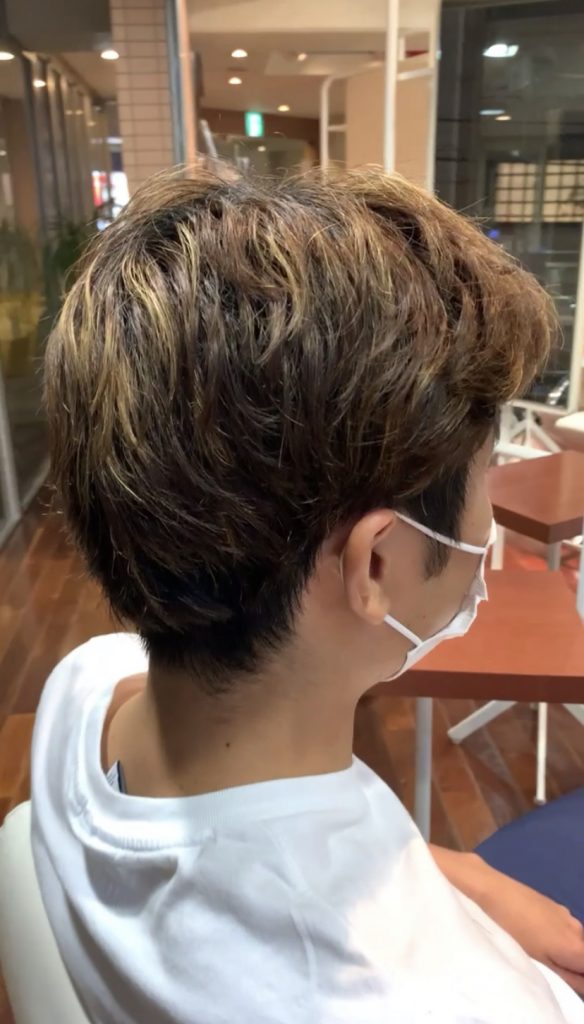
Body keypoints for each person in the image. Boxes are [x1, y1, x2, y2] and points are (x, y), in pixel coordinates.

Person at [33, 166, 584, 1024]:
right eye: (485, 474)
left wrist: (449, 874)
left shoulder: (82, 691)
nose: (486, 513)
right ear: (376, 566)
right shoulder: (438, 1003)